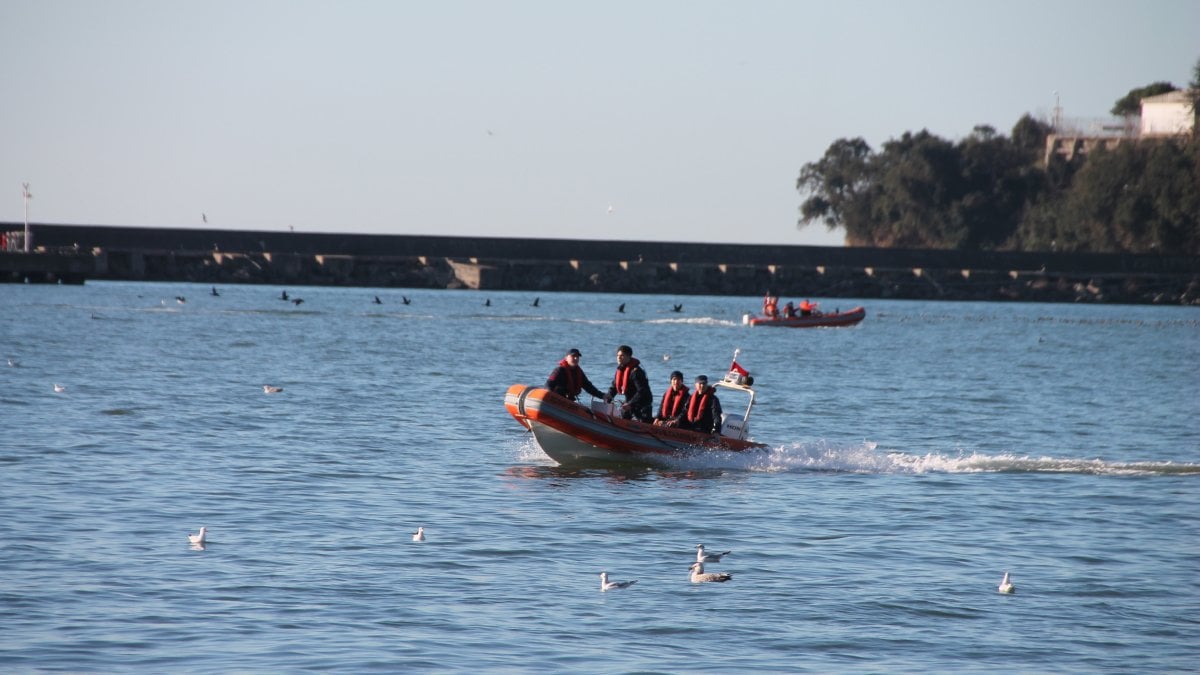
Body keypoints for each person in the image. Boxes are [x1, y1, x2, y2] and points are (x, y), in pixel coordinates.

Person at [605, 345, 653, 422]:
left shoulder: (636, 372)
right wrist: (608, 398)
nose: (618, 358)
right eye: (617, 355)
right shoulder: (620, 370)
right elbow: (614, 387)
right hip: (629, 403)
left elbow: (642, 391)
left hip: (642, 405)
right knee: (623, 417)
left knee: (642, 422)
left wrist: (630, 403)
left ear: (629, 357)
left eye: (622, 356)